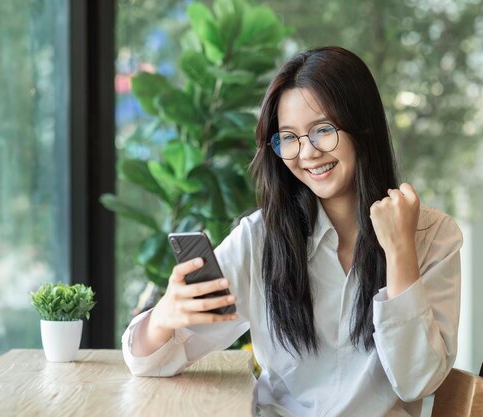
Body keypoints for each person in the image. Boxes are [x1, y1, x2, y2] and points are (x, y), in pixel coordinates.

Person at [122, 46, 462, 417]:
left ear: (362, 128)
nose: (307, 153)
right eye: (289, 137)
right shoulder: (260, 239)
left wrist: (399, 253)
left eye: (322, 131)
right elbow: (148, 361)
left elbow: (418, 382)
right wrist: (163, 317)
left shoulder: (433, 236)